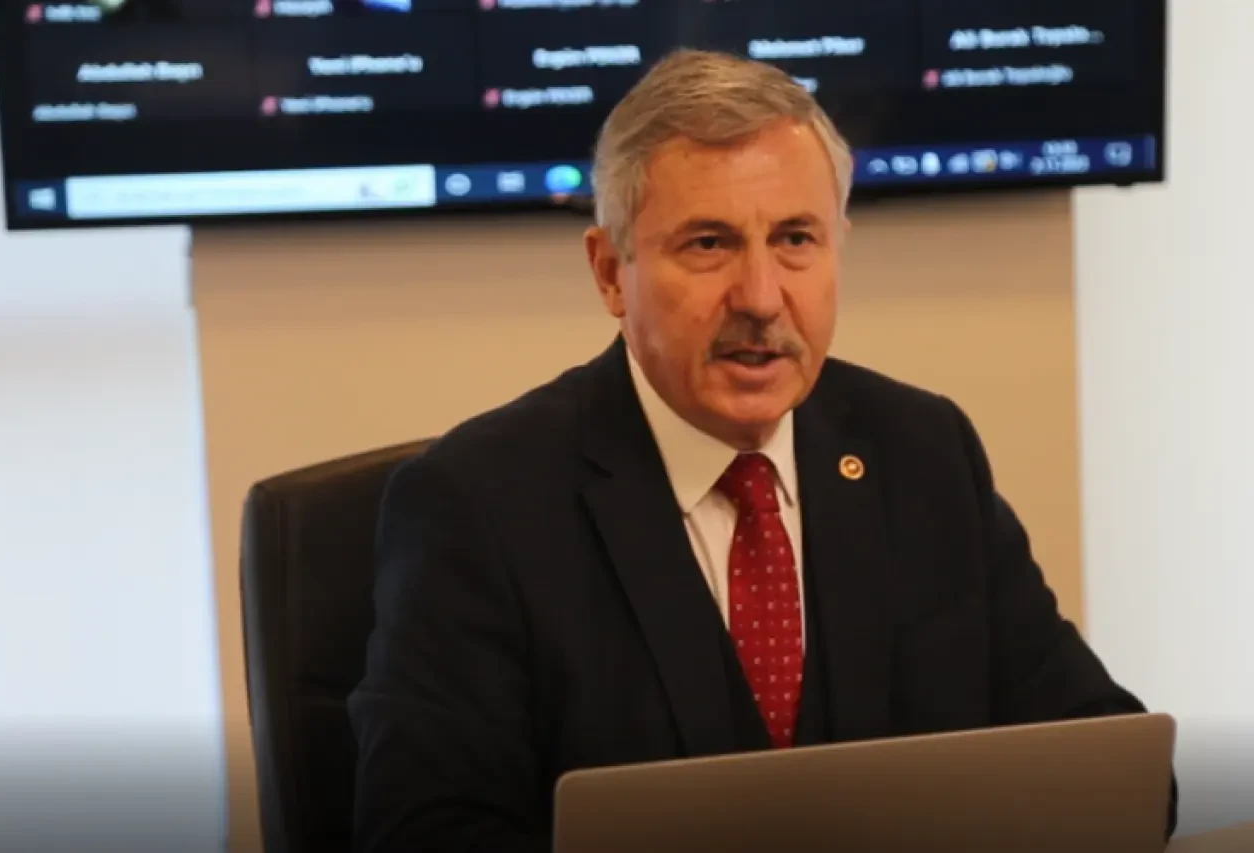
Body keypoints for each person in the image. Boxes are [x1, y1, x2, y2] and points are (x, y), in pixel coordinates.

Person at [348, 48, 1176, 852]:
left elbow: (1116, 770)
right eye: (708, 243)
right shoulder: (476, 505)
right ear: (609, 272)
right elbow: (421, 831)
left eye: (795, 239)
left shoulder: (925, 454)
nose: (760, 296)